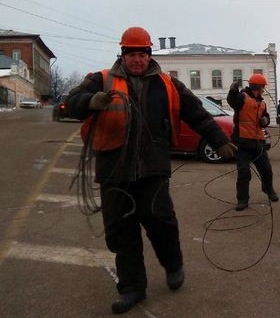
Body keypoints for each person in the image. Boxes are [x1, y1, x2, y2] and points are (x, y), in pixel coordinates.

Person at [67, 27, 236, 314]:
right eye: (131, 54)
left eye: (142, 54)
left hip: (153, 168)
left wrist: (219, 140)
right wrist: (88, 101)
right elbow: (71, 103)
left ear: (149, 55)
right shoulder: (101, 80)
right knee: (122, 232)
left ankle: (173, 264)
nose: (137, 59)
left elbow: (196, 112)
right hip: (114, 170)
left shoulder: (167, 84)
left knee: (161, 222)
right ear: (123, 55)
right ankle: (132, 288)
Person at [227, 73, 278, 211]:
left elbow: (265, 117)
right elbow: (232, 101)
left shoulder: (262, 103)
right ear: (257, 86)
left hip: (258, 143)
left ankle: (269, 190)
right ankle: (242, 200)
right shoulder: (242, 97)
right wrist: (232, 91)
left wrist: (265, 121)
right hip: (242, 143)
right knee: (244, 173)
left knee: (266, 170)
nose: (263, 90)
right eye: (262, 87)